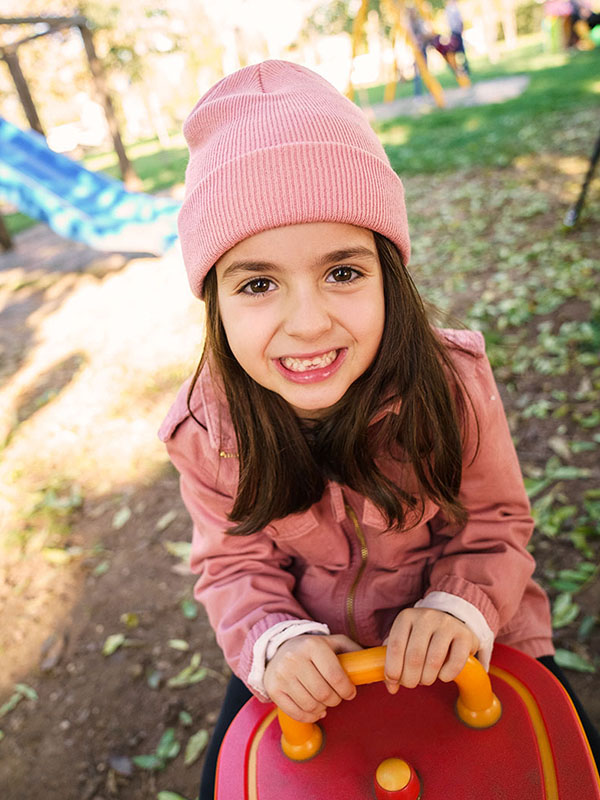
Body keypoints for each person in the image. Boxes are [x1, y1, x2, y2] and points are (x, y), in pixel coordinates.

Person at [159, 60, 599, 798]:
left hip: (469, 635)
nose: (308, 323)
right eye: (259, 283)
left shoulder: (452, 384)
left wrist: (461, 604)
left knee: (564, 759)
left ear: (389, 271)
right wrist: (275, 640)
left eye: (343, 272)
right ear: (215, 302)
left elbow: (495, 521)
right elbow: (234, 568)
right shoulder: (207, 430)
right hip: (315, 661)